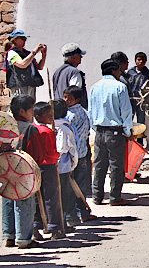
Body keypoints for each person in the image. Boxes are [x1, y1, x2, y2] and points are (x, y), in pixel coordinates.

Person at [89, 59, 133, 206]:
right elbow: (126, 111)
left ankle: (97, 196)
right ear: (114, 70)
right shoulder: (120, 87)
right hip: (115, 132)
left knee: (99, 165)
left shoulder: (94, 87)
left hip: (100, 131)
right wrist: (128, 130)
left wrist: (95, 129)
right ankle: (114, 197)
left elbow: (91, 111)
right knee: (116, 166)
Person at [2, 95, 39, 248]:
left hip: (5, 169)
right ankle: (23, 238)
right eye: (31, 110)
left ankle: (8, 235)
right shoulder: (30, 128)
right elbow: (34, 152)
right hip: (23, 171)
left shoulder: (5, 126)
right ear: (23, 111)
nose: (33, 113)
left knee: (7, 199)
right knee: (24, 202)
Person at [31, 102, 64, 239]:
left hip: (34, 167)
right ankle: (54, 227)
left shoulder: (31, 129)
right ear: (38, 117)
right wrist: (58, 156)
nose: (51, 117)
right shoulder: (47, 132)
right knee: (51, 197)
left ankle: (35, 226)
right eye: (47, 115)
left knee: (36, 197)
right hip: (48, 166)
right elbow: (52, 152)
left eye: (51, 114)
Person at [63, 86, 96, 223]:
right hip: (83, 152)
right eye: (64, 97)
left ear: (76, 99)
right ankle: (82, 212)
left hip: (72, 155)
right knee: (80, 184)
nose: (66, 100)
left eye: (69, 98)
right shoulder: (85, 112)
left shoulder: (69, 115)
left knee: (70, 186)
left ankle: (73, 215)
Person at [52, 100, 79, 228]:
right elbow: (70, 149)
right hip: (63, 168)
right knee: (63, 196)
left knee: (54, 196)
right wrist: (73, 165)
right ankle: (61, 223)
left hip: (51, 167)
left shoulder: (50, 127)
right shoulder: (65, 128)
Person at [2, 29, 46, 100]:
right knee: (20, 108)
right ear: (15, 40)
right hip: (19, 85)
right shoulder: (12, 53)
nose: (25, 40)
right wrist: (34, 52)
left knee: (30, 108)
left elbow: (40, 67)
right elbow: (22, 64)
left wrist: (44, 55)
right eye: (22, 38)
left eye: (25, 38)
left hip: (30, 84)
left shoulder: (27, 53)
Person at [53, 43, 88, 109]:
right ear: (73, 57)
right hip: (71, 112)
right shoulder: (74, 72)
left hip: (60, 111)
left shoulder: (57, 72)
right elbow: (74, 93)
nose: (81, 57)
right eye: (79, 55)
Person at [127, 52, 149, 126]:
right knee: (129, 118)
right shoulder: (130, 72)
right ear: (135, 60)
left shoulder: (148, 74)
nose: (141, 62)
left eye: (143, 60)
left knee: (141, 120)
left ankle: (140, 137)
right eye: (139, 60)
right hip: (131, 99)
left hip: (141, 100)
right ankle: (128, 135)